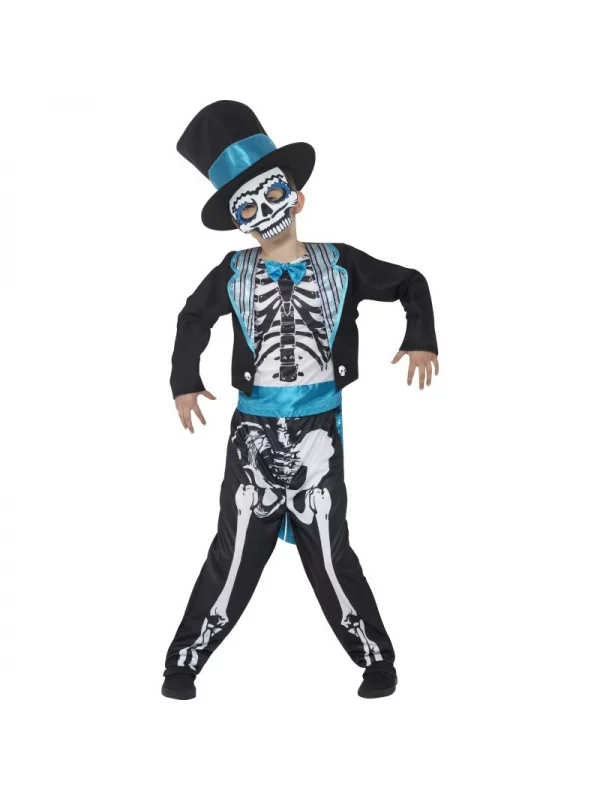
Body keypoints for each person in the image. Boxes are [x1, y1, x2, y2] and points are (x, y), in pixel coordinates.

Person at [161, 100, 439, 701]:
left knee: (330, 550)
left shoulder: (339, 263)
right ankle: (183, 663)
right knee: (235, 548)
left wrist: (420, 335)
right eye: (249, 207)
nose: (265, 213)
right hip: (252, 430)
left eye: (273, 195)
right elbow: (192, 318)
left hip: (318, 428)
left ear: (298, 197)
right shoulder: (233, 271)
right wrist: (184, 380)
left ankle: (376, 662)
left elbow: (409, 281)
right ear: (239, 222)